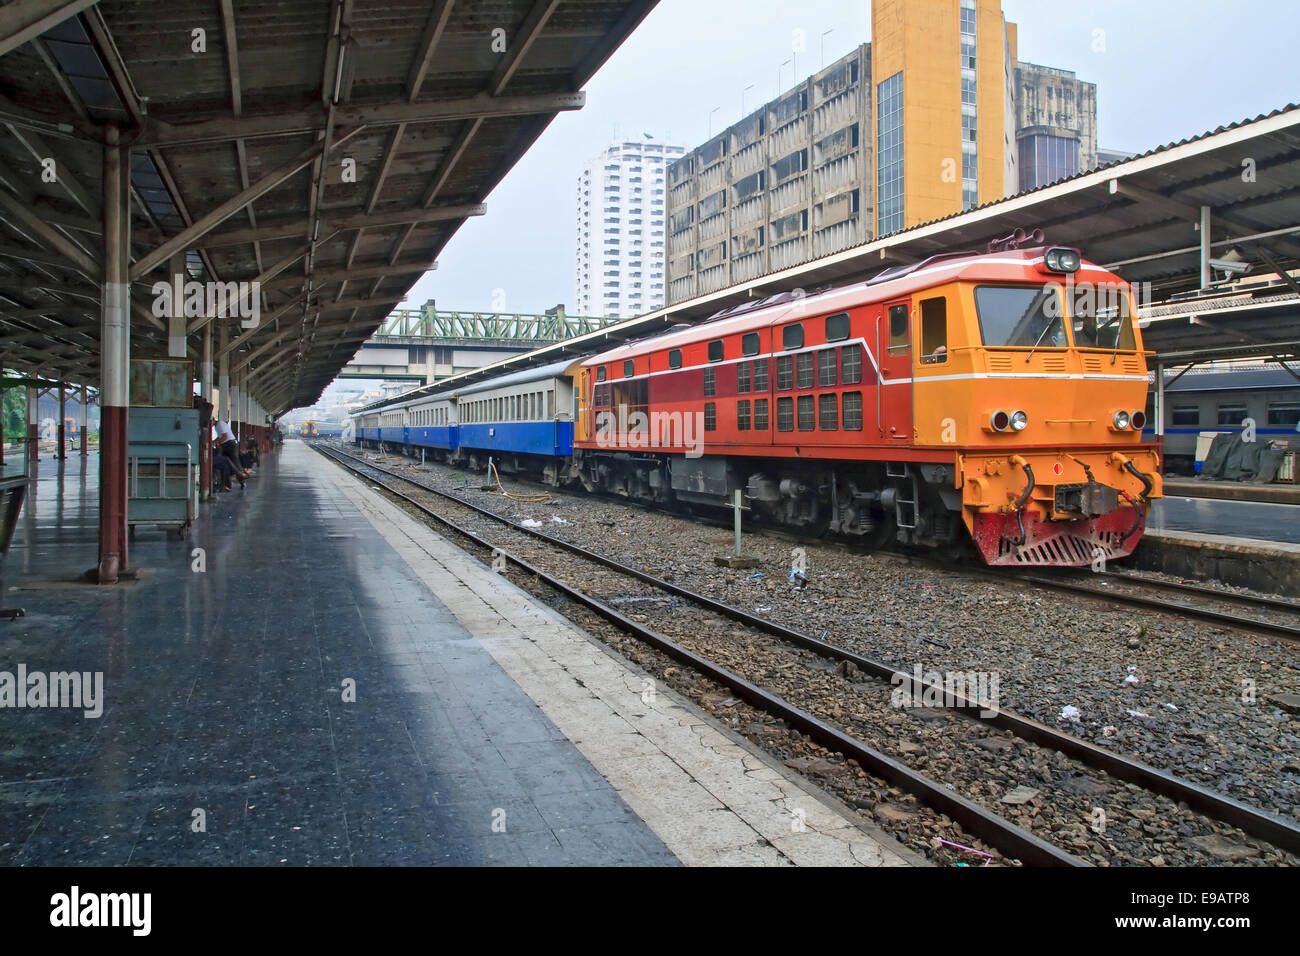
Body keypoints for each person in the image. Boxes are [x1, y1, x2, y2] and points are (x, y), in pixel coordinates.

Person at [212, 419, 246, 488]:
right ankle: (227, 484)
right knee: (226, 463)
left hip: (230, 445)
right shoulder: (217, 426)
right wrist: (213, 441)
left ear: (213, 419)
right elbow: (221, 436)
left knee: (235, 462)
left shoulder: (220, 424)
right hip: (227, 444)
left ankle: (242, 478)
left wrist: (215, 443)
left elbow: (225, 437)